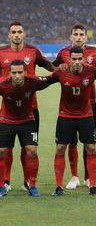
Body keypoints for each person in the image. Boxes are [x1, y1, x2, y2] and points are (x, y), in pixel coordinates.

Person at [0, 21, 54, 192]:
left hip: (31, 108)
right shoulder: (1, 53)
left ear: (24, 34)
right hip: (8, 108)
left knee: (29, 147)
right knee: (5, 148)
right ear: (8, 35)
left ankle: (27, 182)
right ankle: (6, 181)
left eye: (19, 31)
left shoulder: (33, 51)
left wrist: (62, 72)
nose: (16, 34)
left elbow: (49, 67)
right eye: (13, 32)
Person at [52, 24, 96, 189]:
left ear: (86, 37)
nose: (79, 37)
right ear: (71, 36)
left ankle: (88, 178)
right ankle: (74, 176)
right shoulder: (63, 53)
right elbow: (54, 68)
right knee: (71, 142)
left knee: (89, 143)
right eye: (76, 34)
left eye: (82, 34)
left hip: (90, 104)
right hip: (69, 107)